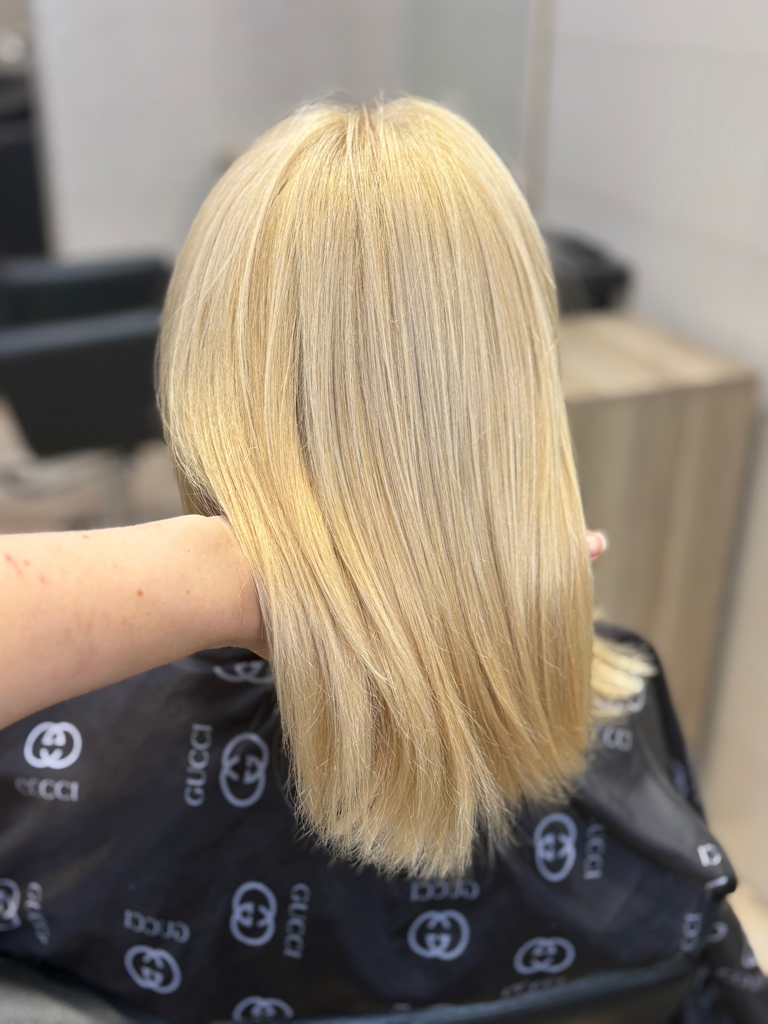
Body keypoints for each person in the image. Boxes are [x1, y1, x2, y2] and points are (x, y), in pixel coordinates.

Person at [0, 99, 764, 1024]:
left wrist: (261, 567)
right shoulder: (624, 699)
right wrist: (333, 570)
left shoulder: (52, 751)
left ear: (206, 370)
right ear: (520, 382)